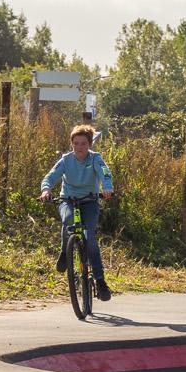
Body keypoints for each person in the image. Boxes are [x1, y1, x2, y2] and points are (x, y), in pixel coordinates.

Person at [40, 123, 115, 301]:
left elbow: (105, 174)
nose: (79, 147)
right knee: (68, 223)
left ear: (89, 144)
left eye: (83, 143)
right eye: (76, 143)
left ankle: (100, 280)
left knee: (89, 237)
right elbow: (50, 176)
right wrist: (46, 190)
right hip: (68, 200)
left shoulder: (95, 158)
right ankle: (65, 253)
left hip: (90, 201)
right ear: (71, 144)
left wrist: (107, 188)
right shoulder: (66, 160)